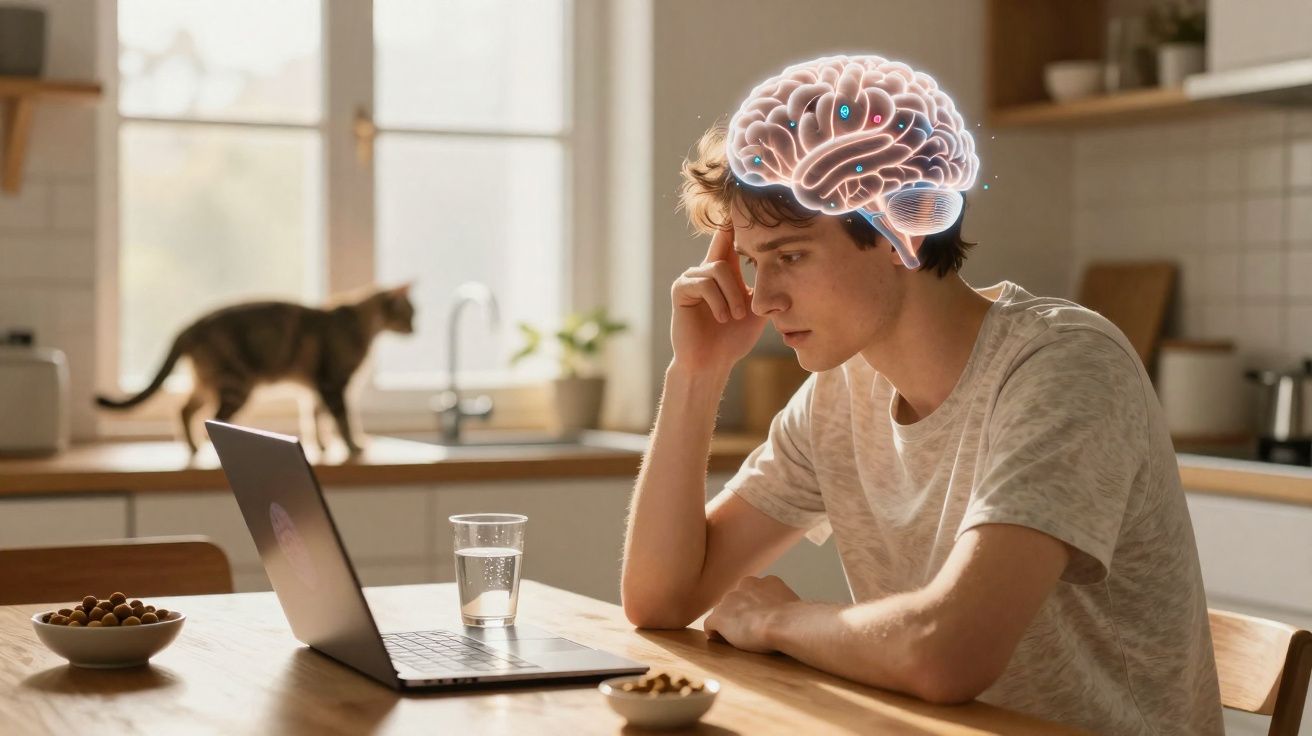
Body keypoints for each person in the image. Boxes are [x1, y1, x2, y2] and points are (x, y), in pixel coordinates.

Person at [619, 55, 1223, 734]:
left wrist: (777, 618)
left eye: (789, 256)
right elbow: (660, 599)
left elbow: (947, 654)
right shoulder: (839, 394)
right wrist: (695, 375)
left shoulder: (1065, 366)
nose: (760, 299)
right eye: (753, 263)